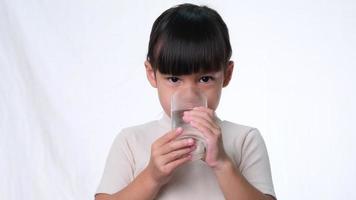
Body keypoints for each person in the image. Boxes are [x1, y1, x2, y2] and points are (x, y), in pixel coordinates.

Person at [95, 3, 276, 200]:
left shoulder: (244, 139)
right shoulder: (131, 140)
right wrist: (152, 177)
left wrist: (223, 164)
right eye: (174, 79)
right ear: (151, 74)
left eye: (205, 79)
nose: (189, 94)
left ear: (227, 74)